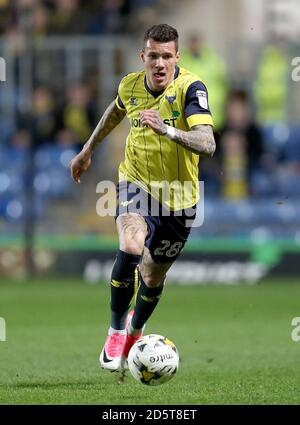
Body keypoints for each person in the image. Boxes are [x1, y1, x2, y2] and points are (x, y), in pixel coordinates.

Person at [70, 24, 215, 375]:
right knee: (132, 245)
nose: (160, 63)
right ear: (144, 57)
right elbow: (116, 110)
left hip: (180, 199)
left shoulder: (191, 89)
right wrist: (88, 149)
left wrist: (166, 128)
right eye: (153, 56)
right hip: (135, 184)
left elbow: (207, 143)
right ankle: (116, 331)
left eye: (167, 56)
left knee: (152, 277)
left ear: (177, 57)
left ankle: (136, 330)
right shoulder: (130, 85)